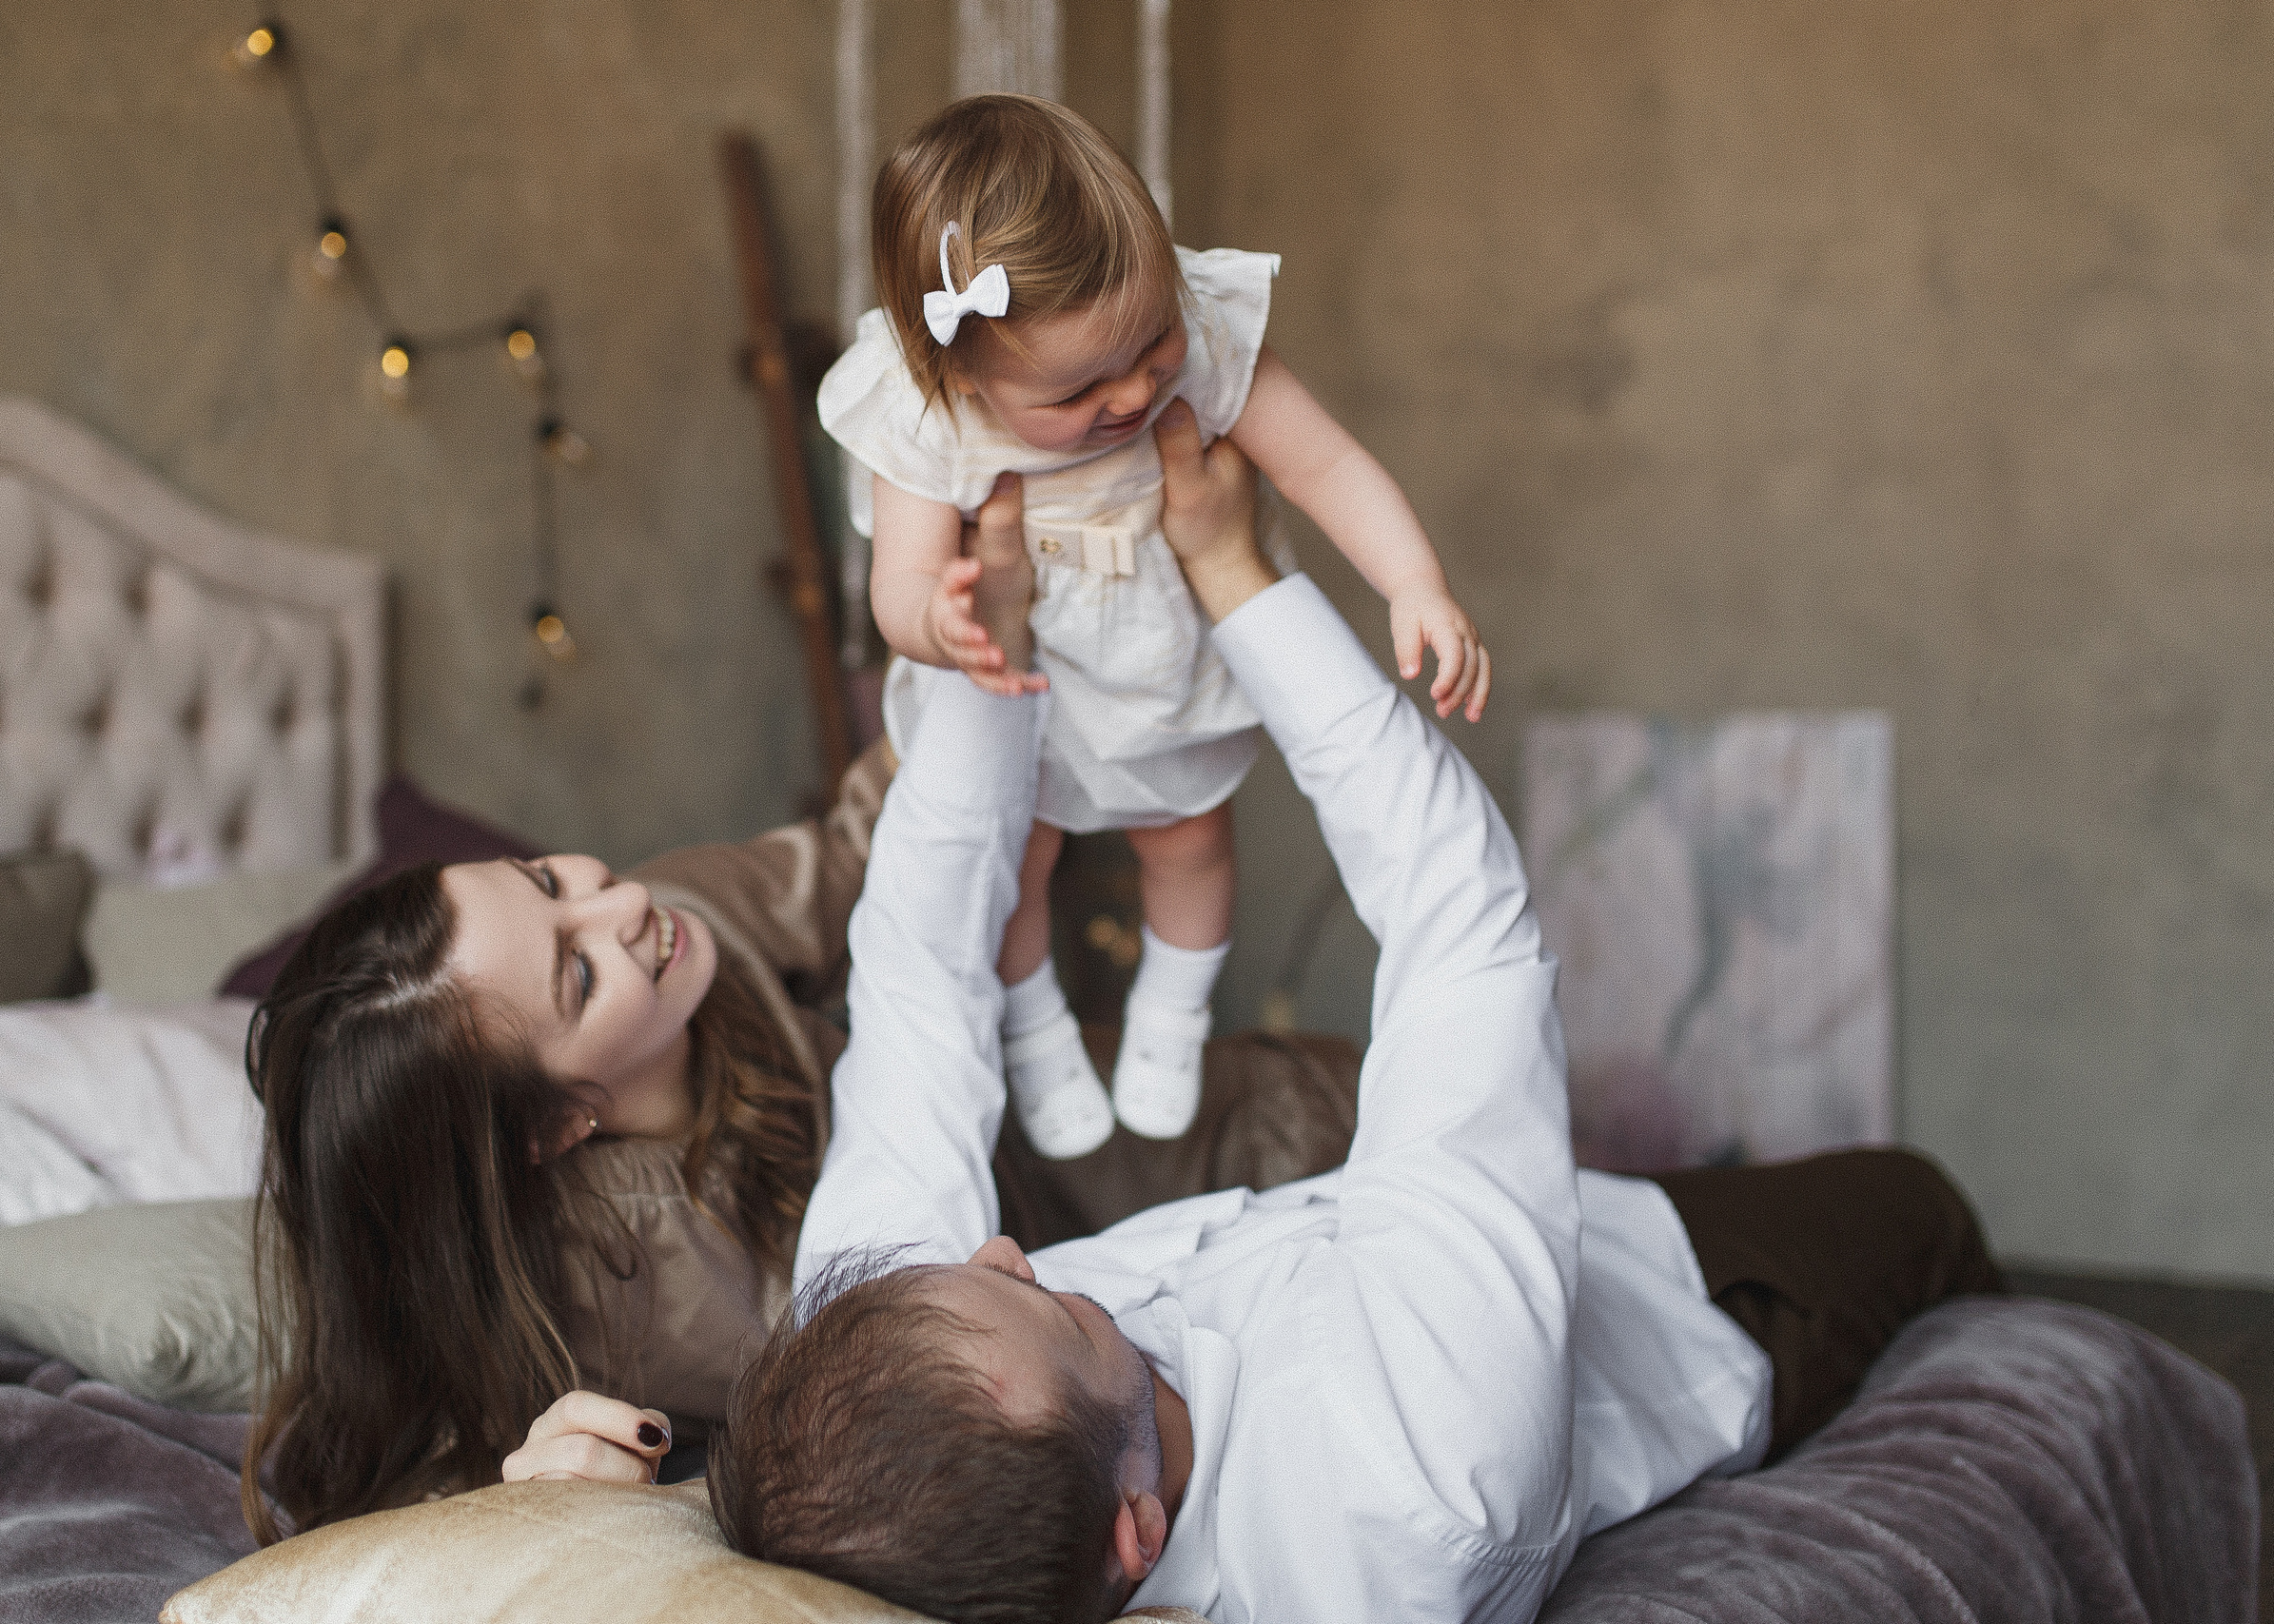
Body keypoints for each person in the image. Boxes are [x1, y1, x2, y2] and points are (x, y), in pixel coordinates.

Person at [505, 404, 2004, 1624]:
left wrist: (994, 651)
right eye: (1045, 1300)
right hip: (1690, 1299)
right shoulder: (1419, 1480)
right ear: (1136, 1531)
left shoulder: (887, 1358)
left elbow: (917, 971)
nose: (1007, 1246)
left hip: (1422, 1211)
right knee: (1920, 1208)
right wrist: (1244, 580)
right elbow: (1462, 927)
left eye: (974, 1273)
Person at [237, 512, 1366, 1547]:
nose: (619, 905)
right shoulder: (586, 1290)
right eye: (576, 972)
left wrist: (965, 646)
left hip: (1063, 1135)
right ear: (556, 1126)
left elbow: (862, 854)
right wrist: (520, 1504)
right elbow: (395, 1506)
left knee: (1367, 1105)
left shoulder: (680, 918)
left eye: (546, 876)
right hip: (1043, 1306)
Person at [820, 93, 1489, 1160]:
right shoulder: (924, 415)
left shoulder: (1207, 340)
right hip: (1017, 678)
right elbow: (896, 584)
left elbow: (1324, 464)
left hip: (1159, 660)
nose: (1135, 390)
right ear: (955, 369)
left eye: (1153, 343)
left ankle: (1171, 1014)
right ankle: (1034, 1032)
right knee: (1015, 865)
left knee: (1187, 844)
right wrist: (934, 622)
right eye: (1081, 386)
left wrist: (1413, 581)